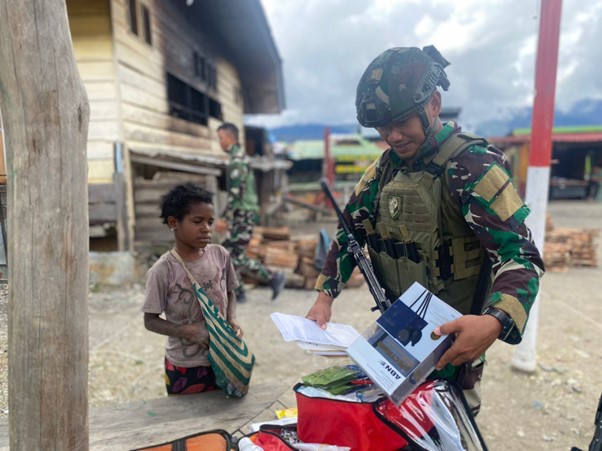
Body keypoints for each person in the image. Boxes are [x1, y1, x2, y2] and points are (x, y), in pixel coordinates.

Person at [306, 46, 545, 414]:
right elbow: (348, 230)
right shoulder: (385, 168)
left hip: (455, 338)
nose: (393, 136)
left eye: (401, 122)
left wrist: (494, 322)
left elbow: (521, 255)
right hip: (397, 328)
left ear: (434, 103)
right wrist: (325, 295)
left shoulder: (472, 165)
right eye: (383, 128)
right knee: (396, 422)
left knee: (449, 425)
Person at [142, 183, 240, 395]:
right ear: (173, 222)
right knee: (190, 424)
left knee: (226, 417)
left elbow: (230, 291)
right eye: (198, 221)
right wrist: (187, 331)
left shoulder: (220, 255)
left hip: (225, 358)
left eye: (210, 222)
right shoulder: (163, 270)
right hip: (186, 366)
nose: (207, 228)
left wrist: (231, 320)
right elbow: (150, 320)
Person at [216, 122, 286, 304]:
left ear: (230, 137)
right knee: (229, 253)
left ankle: (272, 276)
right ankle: (238, 293)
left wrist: (224, 217)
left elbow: (235, 193)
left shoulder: (237, 161)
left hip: (243, 213)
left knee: (234, 255)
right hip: (242, 213)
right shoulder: (236, 158)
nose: (219, 142)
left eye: (220, 138)